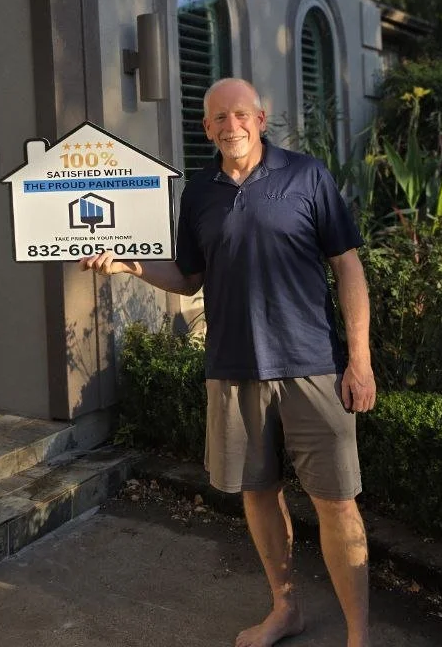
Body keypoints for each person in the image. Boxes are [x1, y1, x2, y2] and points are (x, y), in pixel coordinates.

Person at [81, 77, 376, 647]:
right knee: (257, 493)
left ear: (261, 120)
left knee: (337, 503)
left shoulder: (306, 175)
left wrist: (358, 361)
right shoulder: (199, 194)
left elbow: (348, 267)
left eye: (241, 114)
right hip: (233, 367)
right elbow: (189, 276)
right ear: (206, 128)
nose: (231, 125)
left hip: (312, 364)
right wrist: (129, 265)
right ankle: (285, 608)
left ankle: (360, 636)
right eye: (219, 118)